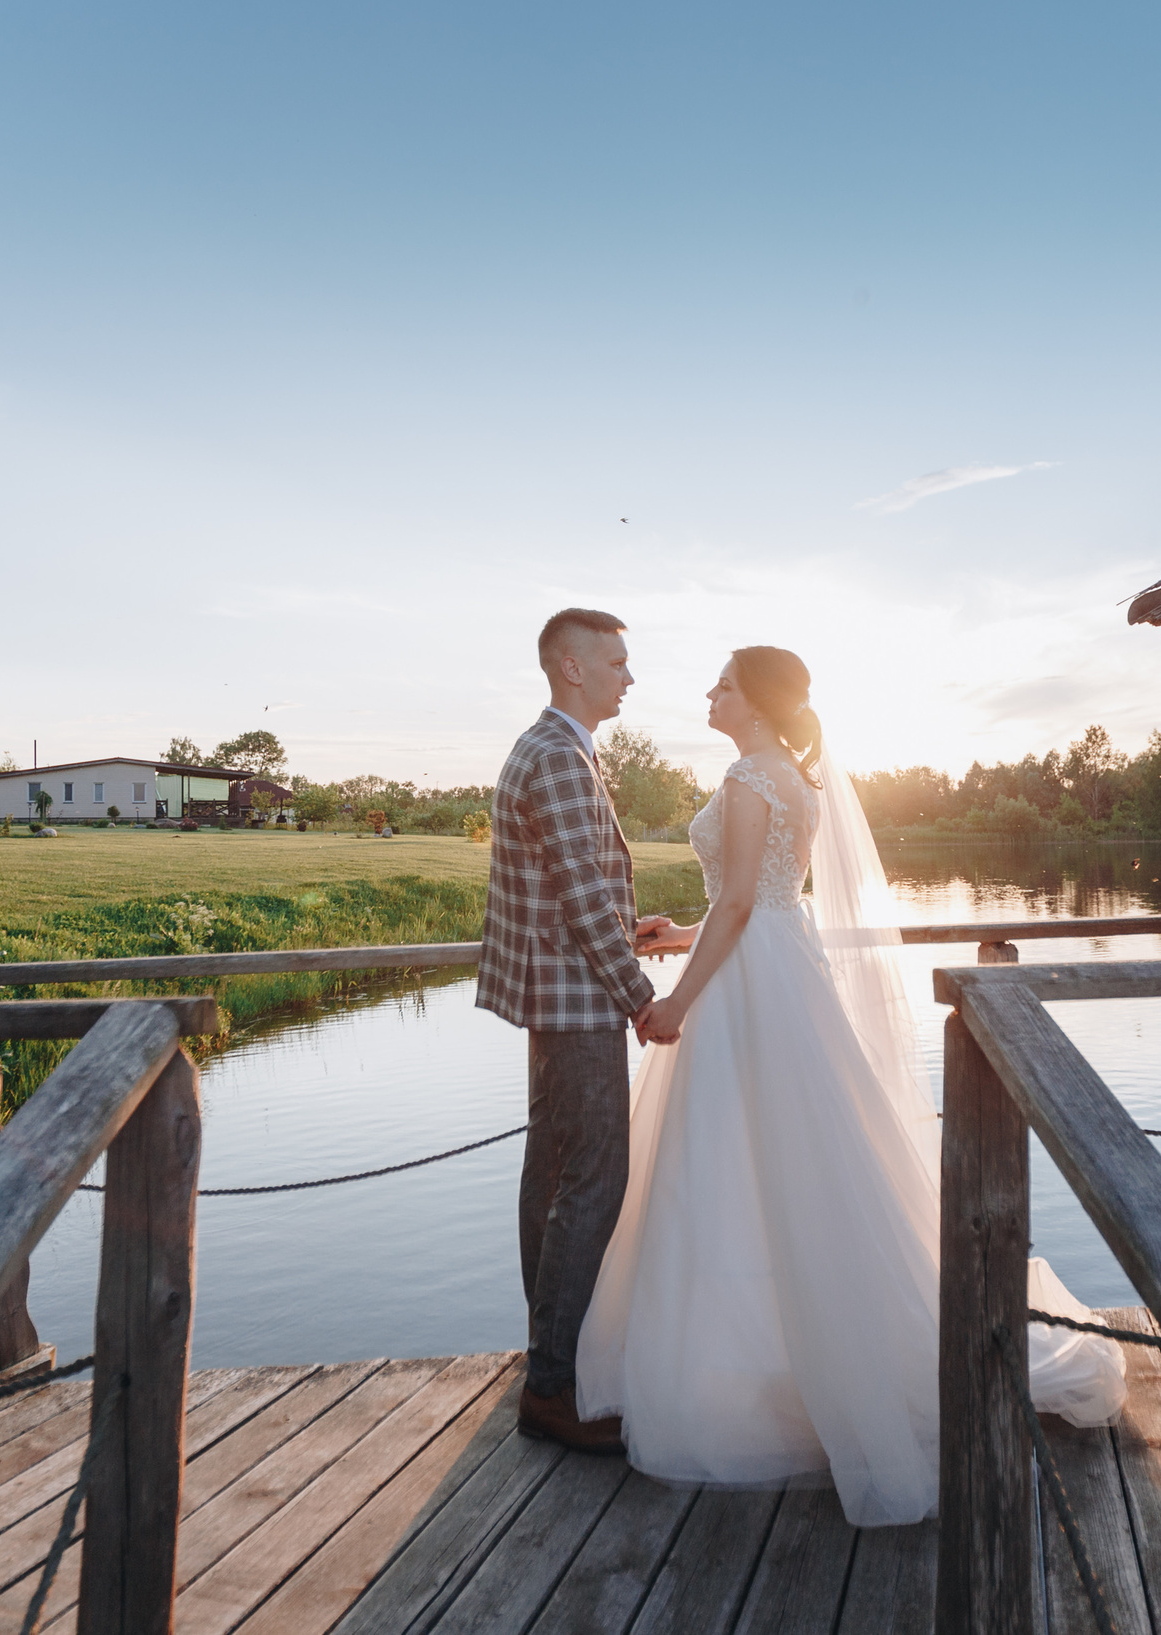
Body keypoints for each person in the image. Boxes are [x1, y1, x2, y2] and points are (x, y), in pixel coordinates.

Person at [579, 645, 1124, 1525]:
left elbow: (745, 907)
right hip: (773, 977)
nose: (709, 694)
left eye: (722, 684)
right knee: (783, 1170)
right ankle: (781, 1356)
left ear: (754, 702)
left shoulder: (756, 779)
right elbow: (758, 902)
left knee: (731, 1170)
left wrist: (677, 997)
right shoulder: (788, 778)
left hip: (749, 991)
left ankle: (778, 1367)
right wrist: (676, 932)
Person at [478, 607, 674, 1454]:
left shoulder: (558, 748)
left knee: (553, 1175)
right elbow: (583, 895)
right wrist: (640, 995)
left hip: (561, 990)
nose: (630, 676)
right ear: (571, 667)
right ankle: (553, 1387)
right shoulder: (558, 754)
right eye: (617, 661)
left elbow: (578, 892)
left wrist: (628, 929)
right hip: (578, 1003)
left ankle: (548, 1359)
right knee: (593, 1178)